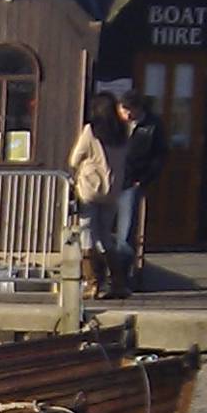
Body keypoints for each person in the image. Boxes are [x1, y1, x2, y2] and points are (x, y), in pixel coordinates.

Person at [69, 93, 130, 298]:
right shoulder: (123, 132)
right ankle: (118, 283)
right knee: (106, 236)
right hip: (112, 191)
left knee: (87, 234)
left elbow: (75, 158)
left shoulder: (90, 131)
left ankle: (92, 283)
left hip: (90, 189)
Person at [114, 91, 164, 293]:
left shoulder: (152, 125)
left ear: (137, 109)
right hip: (109, 180)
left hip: (131, 182)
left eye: (128, 110)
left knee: (126, 233)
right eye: (122, 109)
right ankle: (103, 274)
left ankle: (122, 278)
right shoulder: (114, 124)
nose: (125, 114)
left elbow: (159, 156)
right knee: (100, 230)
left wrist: (143, 180)